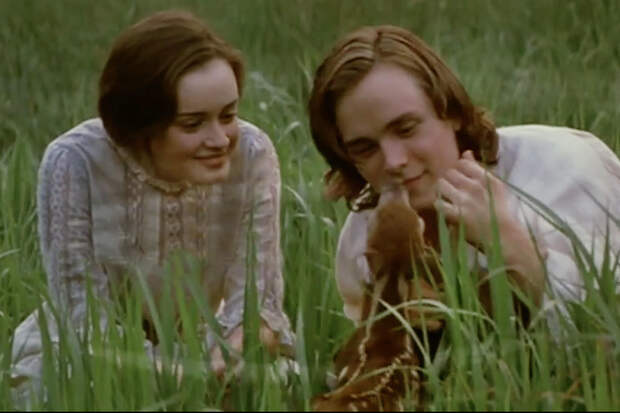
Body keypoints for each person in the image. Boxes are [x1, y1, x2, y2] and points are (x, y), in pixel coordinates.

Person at [11, 10, 294, 402]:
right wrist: (174, 377)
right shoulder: (75, 161)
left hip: (208, 344)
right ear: (140, 124)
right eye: (192, 124)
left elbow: (258, 304)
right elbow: (83, 321)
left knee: (283, 388)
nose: (220, 140)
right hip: (98, 358)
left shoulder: (251, 152)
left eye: (228, 115)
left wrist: (226, 357)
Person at [308, 25, 620, 333]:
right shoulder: (365, 236)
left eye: (406, 129)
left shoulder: (557, 170)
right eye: (365, 148)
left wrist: (508, 243)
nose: (393, 161)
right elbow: (376, 351)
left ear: (451, 111)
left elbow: (602, 330)